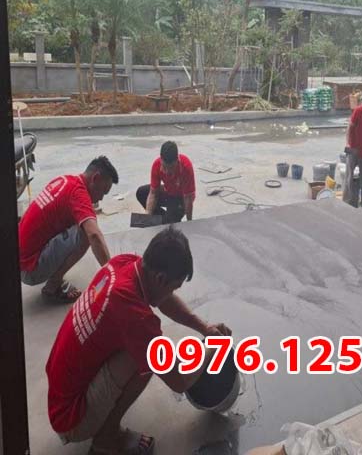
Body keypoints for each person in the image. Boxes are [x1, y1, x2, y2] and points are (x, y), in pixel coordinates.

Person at [46, 226, 232, 454]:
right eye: (173, 287)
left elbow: (165, 300)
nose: (171, 293)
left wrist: (204, 328)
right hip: (72, 417)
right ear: (160, 278)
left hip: (61, 392)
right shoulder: (135, 316)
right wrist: (213, 348)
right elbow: (178, 379)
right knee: (149, 358)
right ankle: (106, 438)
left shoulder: (125, 264)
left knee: (143, 348)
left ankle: (104, 418)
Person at [19, 156, 118, 303]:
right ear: (95, 178)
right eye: (104, 191)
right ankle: (52, 287)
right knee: (85, 233)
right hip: (30, 269)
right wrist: (113, 274)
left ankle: (53, 275)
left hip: (21, 259)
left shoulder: (65, 180)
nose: (102, 198)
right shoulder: (78, 194)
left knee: (84, 221)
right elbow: (94, 235)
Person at [136, 141, 196, 224]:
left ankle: (167, 220)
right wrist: (147, 216)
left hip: (181, 198)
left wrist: (190, 222)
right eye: (164, 167)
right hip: (168, 191)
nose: (167, 171)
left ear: (177, 160)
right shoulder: (156, 164)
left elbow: (188, 198)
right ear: (161, 159)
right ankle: (165, 220)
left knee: (170, 221)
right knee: (141, 192)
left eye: (171, 168)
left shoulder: (186, 166)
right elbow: (153, 193)